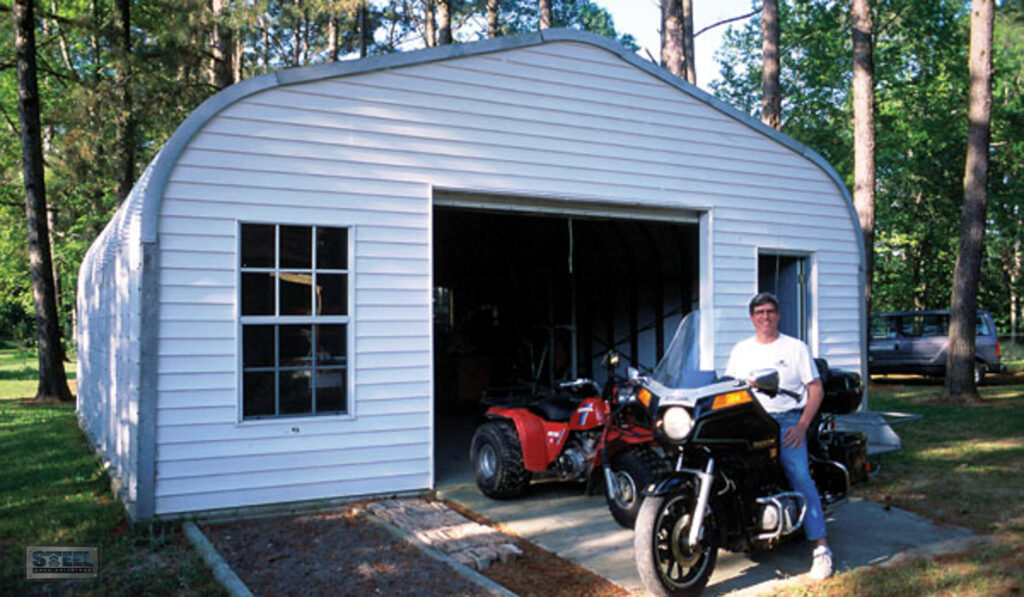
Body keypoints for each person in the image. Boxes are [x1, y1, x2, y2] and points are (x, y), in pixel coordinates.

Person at [724, 292, 833, 580]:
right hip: (750, 420)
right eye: (759, 312)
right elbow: (729, 387)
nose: (765, 317)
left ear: (779, 315)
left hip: (787, 420)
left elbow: (816, 388)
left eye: (770, 311)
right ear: (752, 317)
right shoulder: (741, 350)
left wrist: (802, 425)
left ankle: (821, 549)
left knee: (799, 473)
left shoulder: (795, 348)